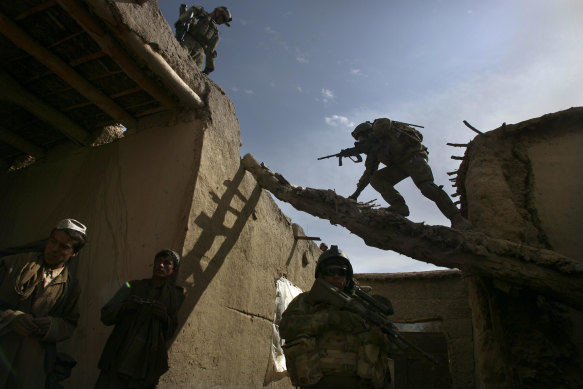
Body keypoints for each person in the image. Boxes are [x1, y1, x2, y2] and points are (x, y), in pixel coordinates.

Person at [279, 246, 395, 389]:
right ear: (320, 275)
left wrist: (380, 338)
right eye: (330, 272)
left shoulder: (364, 306)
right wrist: (331, 318)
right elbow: (285, 328)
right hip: (314, 383)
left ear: (347, 278)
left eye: (341, 272)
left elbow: (392, 347)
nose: (336, 276)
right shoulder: (306, 301)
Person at [0, 218, 87, 389]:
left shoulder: (70, 286)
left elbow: (69, 323)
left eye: (64, 247)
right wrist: (10, 318)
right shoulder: (11, 264)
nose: (54, 249)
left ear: (74, 253)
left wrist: (51, 325)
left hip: (29, 361)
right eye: (53, 241)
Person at [348, 119, 472, 230]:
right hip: (399, 166)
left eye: (362, 138)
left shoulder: (381, 126)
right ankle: (399, 205)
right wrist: (355, 194)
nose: (361, 141)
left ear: (368, 132)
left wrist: (372, 140)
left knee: (427, 187)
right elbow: (368, 173)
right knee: (376, 178)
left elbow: (384, 125)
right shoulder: (373, 151)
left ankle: (457, 218)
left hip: (414, 157)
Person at [94, 249, 185, 389]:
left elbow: (170, 331)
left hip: (145, 366)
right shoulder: (132, 286)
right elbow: (106, 315)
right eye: (159, 261)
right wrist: (126, 307)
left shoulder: (175, 296)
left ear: (173, 270)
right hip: (118, 359)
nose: (161, 265)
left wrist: (163, 317)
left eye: (167, 263)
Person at [174, 4, 232, 75]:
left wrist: (209, 67)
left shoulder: (215, 33)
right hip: (186, 40)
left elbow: (210, 51)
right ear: (218, 12)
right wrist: (180, 33)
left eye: (223, 21)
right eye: (222, 18)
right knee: (177, 57)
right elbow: (184, 19)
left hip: (200, 53)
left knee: (193, 74)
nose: (221, 22)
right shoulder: (199, 12)